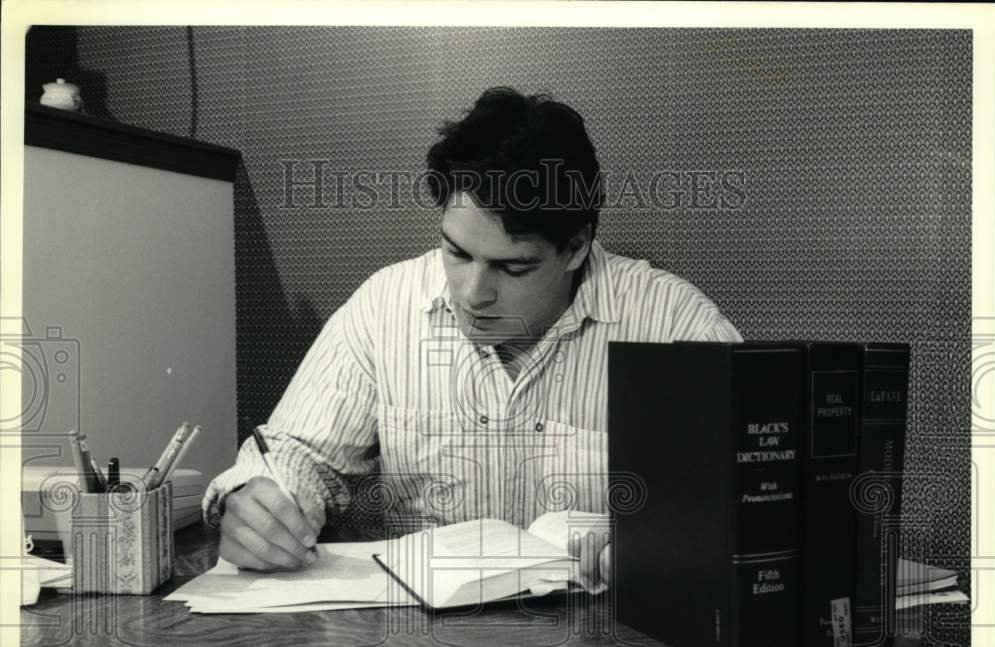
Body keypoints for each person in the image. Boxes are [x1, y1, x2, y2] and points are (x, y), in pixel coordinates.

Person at [203, 87, 741, 583]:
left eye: (512, 269)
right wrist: (259, 501)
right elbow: (299, 454)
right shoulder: (384, 307)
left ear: (575, 247)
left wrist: (656, 538)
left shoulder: (673, 325)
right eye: (457, 252)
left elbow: (752, 496)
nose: (471, 293)